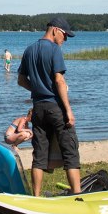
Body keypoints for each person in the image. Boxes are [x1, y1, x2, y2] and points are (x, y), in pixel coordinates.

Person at [17, 16, 82, 195]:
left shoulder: (29, 50)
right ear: (55, 30)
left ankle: (36, 197)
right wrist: (68, 110)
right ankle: (77, 196)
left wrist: (37, 89)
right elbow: (59, 80)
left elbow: (21, 80)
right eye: (65, 35)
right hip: (55, 107)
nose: (65, 39)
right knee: (70, 152)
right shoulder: (54, 50)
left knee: (39, 155)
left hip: (38, 108)